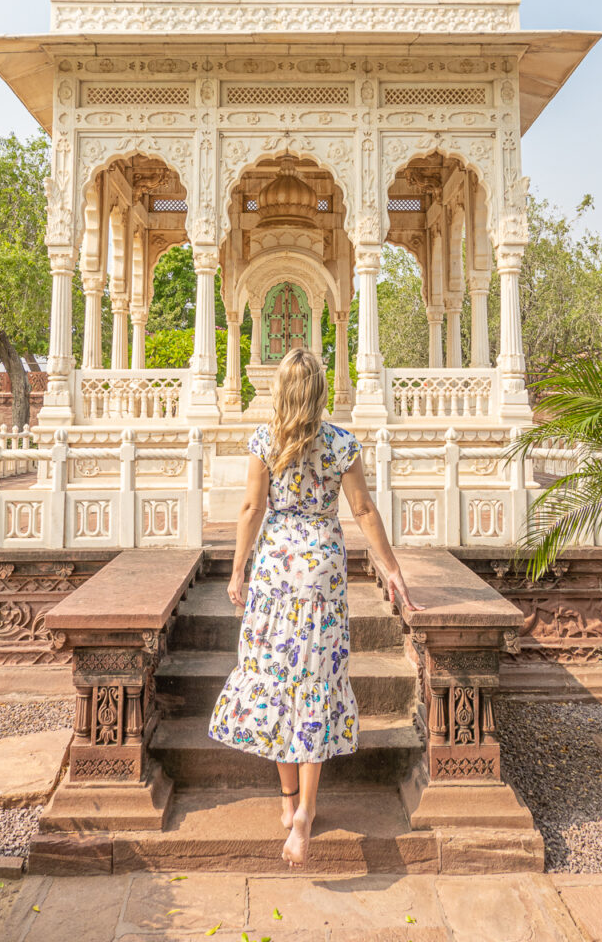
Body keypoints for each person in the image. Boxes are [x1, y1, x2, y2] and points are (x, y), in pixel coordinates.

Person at [208, 347, 421, 867]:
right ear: (321, 390)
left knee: (277, 680)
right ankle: (305, 811)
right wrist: (392, 569)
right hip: (322, 573)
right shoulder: (341, 444)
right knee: (315, 682)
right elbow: (363, 510)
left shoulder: (264, 441)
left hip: (276, 572)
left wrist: (237, 570)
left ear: (280, 390)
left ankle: (287, 806)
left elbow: (252, 509)